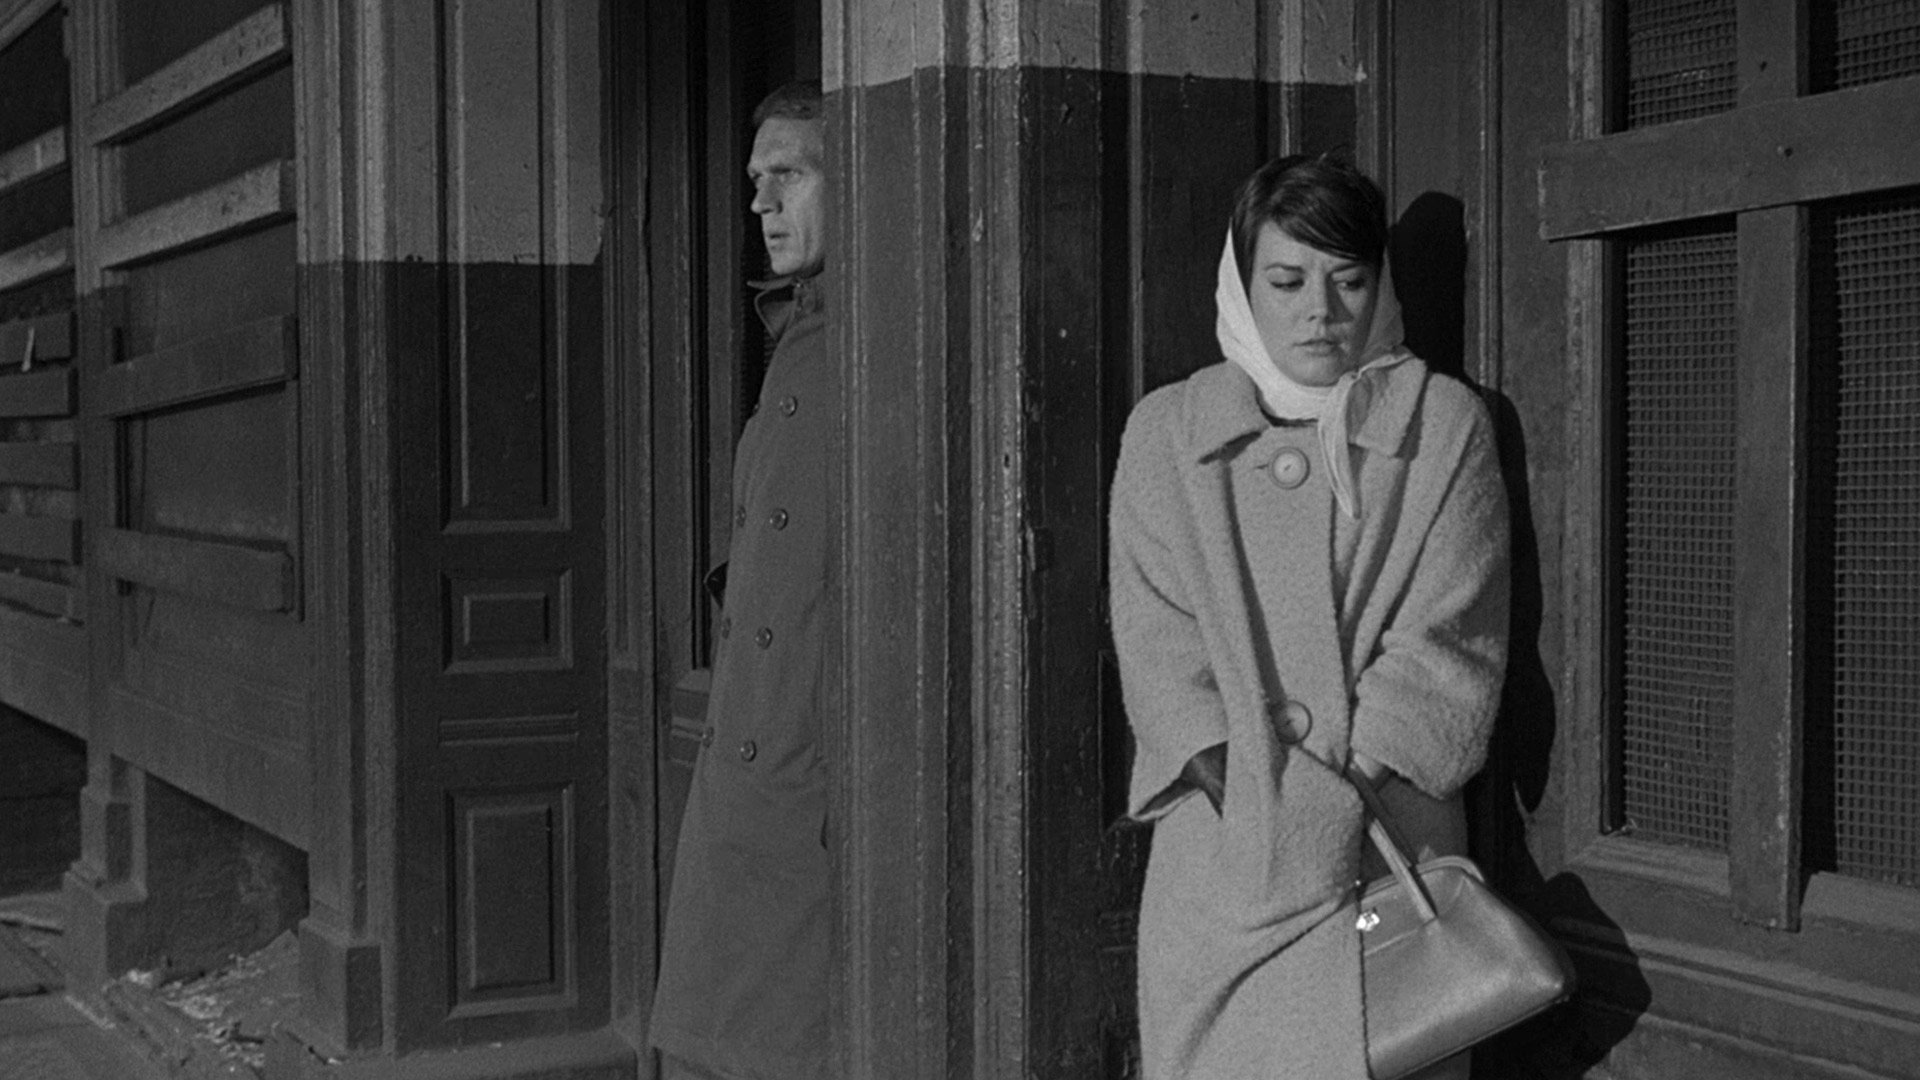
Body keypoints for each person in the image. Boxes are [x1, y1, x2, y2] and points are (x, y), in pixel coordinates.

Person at [1108, 153, 1509, 1080]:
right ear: (1242, 285)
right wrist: (1243, 788)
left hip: (1382, 851)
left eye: (1348, 280)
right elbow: (1157, 636)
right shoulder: (1168, 432)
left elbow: (1448, 639)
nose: (1319, 311)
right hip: (1224, 858)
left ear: (1381, 286)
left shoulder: (1442, 426)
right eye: (1286, 281)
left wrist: (1333, 800)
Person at [649, 80, 835, 1080]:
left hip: (806, 772)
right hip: (753, 758)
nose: (761, 203)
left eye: (788, 176)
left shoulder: (859, 339)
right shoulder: (800, 332)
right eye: (756, 180)